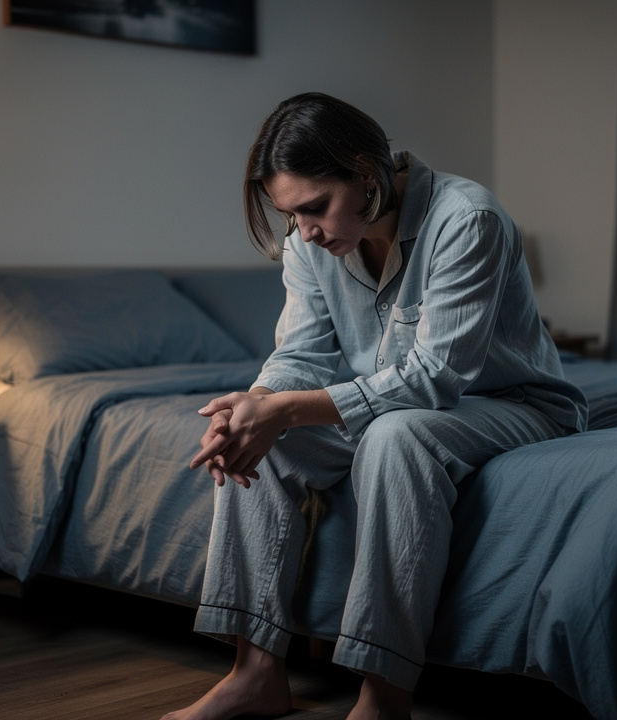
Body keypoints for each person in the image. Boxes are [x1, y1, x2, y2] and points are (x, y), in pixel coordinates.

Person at [163, 92, 588, 720]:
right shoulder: (309, 243)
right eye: (292, 214)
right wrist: (255, 404)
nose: (304, 230)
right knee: (252, 433)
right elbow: (300, 354)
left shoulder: (467, 220)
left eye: (314, 208)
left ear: (367, 173)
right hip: (391, 404)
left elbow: (434, 379)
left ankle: (383, 697)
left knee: (396, 436)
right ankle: (255, 674)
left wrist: (285, 409)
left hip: (512, 403)